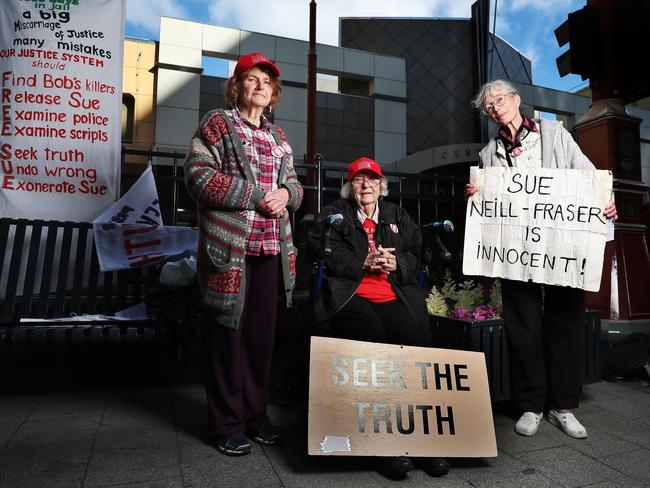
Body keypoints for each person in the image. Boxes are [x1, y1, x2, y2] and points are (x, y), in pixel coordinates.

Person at [466, 79, 617, 439]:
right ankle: (531, 405)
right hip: (517, 252)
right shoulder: (489, 154)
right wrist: (478, 192)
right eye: (489, 107)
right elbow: (491, 206)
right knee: (523, 328)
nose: (495, 108)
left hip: (561, 247)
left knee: (565, 324)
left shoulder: (554, 134)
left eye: (499, 100)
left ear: (516, 100)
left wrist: (603, 201)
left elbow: (587, 175)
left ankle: (563, 407)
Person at [184, 52, 303, 456]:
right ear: (237, 87)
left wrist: (287, 194)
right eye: (250, 79)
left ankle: (255, 415)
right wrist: (255, 196)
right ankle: (226, 423)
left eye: (266, 82)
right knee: (226, 335)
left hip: (271, 248)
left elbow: (295, 187)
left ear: (273, 94)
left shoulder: (279, 137)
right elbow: (198, 177)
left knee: (259, 339)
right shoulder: (218, 123)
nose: (259, 86)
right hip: (230, 249)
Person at [311, 157, 450, 480]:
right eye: (359, 180)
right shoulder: (335, 213)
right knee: (374, 343)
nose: (366, 186)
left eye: (372, 180)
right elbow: (321, 252)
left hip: (392, 293)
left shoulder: (397, 215)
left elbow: (418, 254)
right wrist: (364, 261)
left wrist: (396, 262)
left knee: (413, 342)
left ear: (381, 185)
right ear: (349, 187)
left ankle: (422, 441)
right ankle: (383, 445)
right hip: (352, 294)